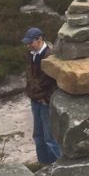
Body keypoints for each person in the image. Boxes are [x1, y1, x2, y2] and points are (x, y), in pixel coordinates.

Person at [21, 27, 61, 166]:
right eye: (27, 43)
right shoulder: (30, 54)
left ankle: (59, 165)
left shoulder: (50, 56)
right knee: (38, 135)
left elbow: (56, 81)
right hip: (34, 100)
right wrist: (30, 92)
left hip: (45, 102)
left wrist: (47, 99)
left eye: (30, 42)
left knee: (50, 137)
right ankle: (44, 164)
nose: (28, 45)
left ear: (39, 39)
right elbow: (29, 75)